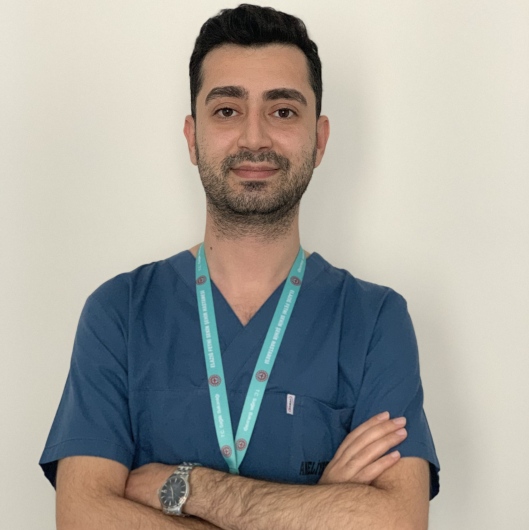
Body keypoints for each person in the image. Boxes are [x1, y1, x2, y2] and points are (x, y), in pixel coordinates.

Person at [40, 4, 439, 529]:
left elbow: (398, 521)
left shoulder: (374, 320)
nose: (254, 138)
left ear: (319, 140)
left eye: (283, 111)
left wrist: (187, 487)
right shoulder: (120, 313)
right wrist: (318, 505)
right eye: (227, 110)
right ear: (192, 137)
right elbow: (82, 518)